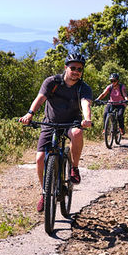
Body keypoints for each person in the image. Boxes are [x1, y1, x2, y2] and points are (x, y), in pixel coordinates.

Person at [19, 53, 93, 213]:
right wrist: (30, 113)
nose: (76, 71)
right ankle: (45, 193)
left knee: (78, 134)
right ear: (66, 67)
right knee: (39, 159)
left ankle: (74, 168)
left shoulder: (83, 87)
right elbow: (40, 98)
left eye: (79, 69)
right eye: (73, 68)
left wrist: (87, 118)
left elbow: (85, 103)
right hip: (50, 123)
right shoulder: (52, 82)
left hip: (71, 122)